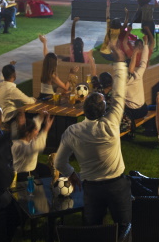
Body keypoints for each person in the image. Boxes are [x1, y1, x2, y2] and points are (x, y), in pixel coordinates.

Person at [54, 41, 131, 230]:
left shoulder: (73, 132)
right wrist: (120, 63)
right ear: (104, 110)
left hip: (91, 188)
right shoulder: (111, 124)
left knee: (93, 228)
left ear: (85, 110)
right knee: (123, 226)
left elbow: (59, 162)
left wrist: (71, 174)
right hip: (116, 185)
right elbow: (119, 95)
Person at [0, 63, 36, 137]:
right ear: (14, 75)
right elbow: (29, 101)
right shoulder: (12, 90)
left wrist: (9, 65)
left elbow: (1, 77)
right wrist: (34, 99)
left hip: (5, 117)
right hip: (14, 118)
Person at [11, 111, 54, 180]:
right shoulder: (25, 147)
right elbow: (38, 144)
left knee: (46, 169)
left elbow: (33, 125)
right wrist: (46, 128)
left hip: (18, 173)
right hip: (24, 176)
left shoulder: (16, 141)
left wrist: (41, 116)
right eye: (35, 130)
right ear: (28, 133)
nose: (37, 131)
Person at [38, 34, 79, 101]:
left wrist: (44, 43)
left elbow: (46, 56)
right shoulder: (52, 76)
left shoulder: (46, 70)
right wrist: (71, 73)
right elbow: (65, 87)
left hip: (42, 96)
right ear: (54, 63)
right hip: (48, 99)